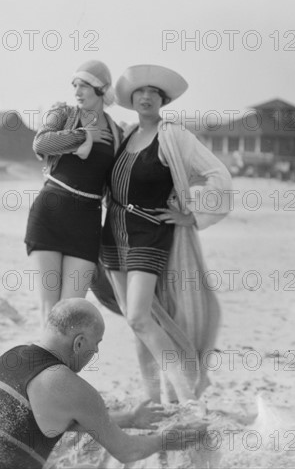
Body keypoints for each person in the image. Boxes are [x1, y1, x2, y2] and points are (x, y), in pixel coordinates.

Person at [0, 299, 208, 469]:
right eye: (96, 345)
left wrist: (129, 418)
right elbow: (127, 451)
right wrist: (171, 438)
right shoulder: (71, 386)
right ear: (79, 342)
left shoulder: (13, 356)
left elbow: (50, 420)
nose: (95, 353)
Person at [96, 64, 232, 406]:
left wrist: (192, 217)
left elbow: (218, 176)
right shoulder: (125, 134)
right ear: (131, 98)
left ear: (163, 100)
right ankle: (153, 398)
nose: (145, 97)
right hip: (113, 235)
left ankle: (185, 395)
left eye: (153, 93)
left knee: (140, 316)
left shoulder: (173, 135)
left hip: (150, 233)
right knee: (138, 325)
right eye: (139, 92)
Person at [25, 61, 123, 323]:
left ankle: (59, 364)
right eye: (75, 85)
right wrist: (82, 136)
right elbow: (40, 143)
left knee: (70, 313)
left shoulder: (118, 132)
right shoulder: (61, 112)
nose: (77, 92)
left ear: (101, 89)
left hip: (87, 222)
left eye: (84, 86)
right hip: (50, 213)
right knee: (50, 312)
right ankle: (49, 365)